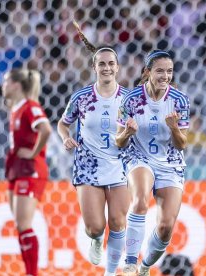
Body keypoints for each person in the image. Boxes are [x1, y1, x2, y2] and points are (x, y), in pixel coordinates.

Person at [57, 22, 129, 276]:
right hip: (88, 166)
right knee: (95, 227)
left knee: (119, 222)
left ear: (117, 67)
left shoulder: (129, 100)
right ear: (94, 68)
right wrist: (66, 137)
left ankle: (111, 271)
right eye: (102, 63)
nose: (107, 67)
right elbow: (62, 124)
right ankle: (96, 240)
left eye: (111, 63)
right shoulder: (81, 98)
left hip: (120, 165)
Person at [116, 50, 190, 276]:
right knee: (140, 201)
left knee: (166, 226)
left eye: (169, 71)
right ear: (147, 72)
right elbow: (118, 142)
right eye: (160, 71)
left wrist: (174, 128)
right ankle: (130, 263)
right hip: (139, 157)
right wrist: (127, 132)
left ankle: (145, 266)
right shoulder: (130, 100)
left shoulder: (179, 101)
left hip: (170, 162)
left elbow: (181, 144)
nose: (165, 76)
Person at [3, 68, 52, 276]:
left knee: (24, 223)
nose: (3, 86)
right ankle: (29, 271)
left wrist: (33, 153)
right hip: (16, 169)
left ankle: (32, 273)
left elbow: (46, 129)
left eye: (6, 82)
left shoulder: (31, 107)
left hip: (29, 170)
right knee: (20, 225)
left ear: (15, 84)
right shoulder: (16, 108)